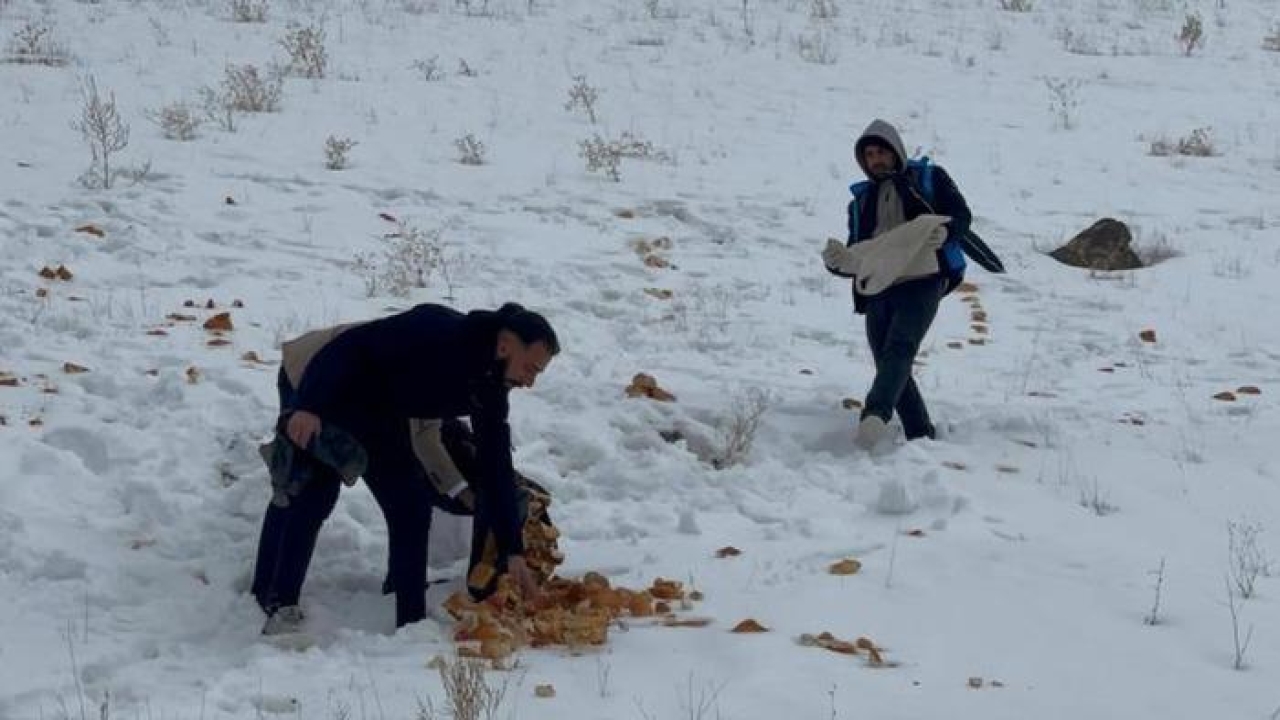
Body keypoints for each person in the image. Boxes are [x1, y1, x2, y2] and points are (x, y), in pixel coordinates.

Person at [250, 302, 559, 633]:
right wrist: (308, 406)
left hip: (380, 406)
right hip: (320, 379)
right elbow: (349, 347)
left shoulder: (490, 388)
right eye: (530, 369)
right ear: (505, 345)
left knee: (409, 504)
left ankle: (410, 619)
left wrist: (512, 550)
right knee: (311, 491)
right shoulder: (437, 331)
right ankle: (274, 601)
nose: (530, 382)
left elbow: (495, 464)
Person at [822, 119, 971, 448]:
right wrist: (838, 263)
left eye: (881, 152)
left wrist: (945, 232)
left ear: (895, 151)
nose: (875, 159)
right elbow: (859, 254)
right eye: (869, 155)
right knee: (887, 360)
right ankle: (920, 433)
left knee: (900, 348)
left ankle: (875, 415)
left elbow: (961, 215)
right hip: (879, 287)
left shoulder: (929, 179)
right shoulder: (860, 202)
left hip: (923, 279)